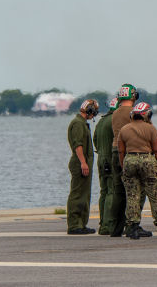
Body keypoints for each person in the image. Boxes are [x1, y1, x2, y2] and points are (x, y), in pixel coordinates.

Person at [117, 101, 157, 240]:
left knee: (132, 195)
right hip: (148, 160)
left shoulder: (124, 129)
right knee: (155, 195)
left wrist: (124, 167)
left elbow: (121, 151)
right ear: (146, 115)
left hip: (130, 160)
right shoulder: (151, 129)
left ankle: (133, 228)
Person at [108, 83, 137, 237]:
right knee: (135, 190)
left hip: (114, 150)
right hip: (128, 151)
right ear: (133, 96)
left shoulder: (115, 113)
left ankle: (115, 227)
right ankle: (133, 224)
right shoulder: (134, 112)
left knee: (118, 191)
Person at [66, 98, 99, 234]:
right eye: (94, 111)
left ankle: (81, 223)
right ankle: (74, 225)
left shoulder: (82, 123)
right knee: (77, 194)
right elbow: (78, 145)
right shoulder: (78, 124)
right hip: (80, 163)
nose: (94, 115)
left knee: (84, 195)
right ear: (90, 110)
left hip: (83, 164)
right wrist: (83, 163)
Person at [92, 97, 118, 235]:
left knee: (103, 192)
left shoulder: (101, 121)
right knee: (112, 192)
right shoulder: (114, 120)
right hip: (110, 160)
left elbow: (95, 141)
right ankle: (108, 225)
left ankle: (103, 223)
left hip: (101, 159)